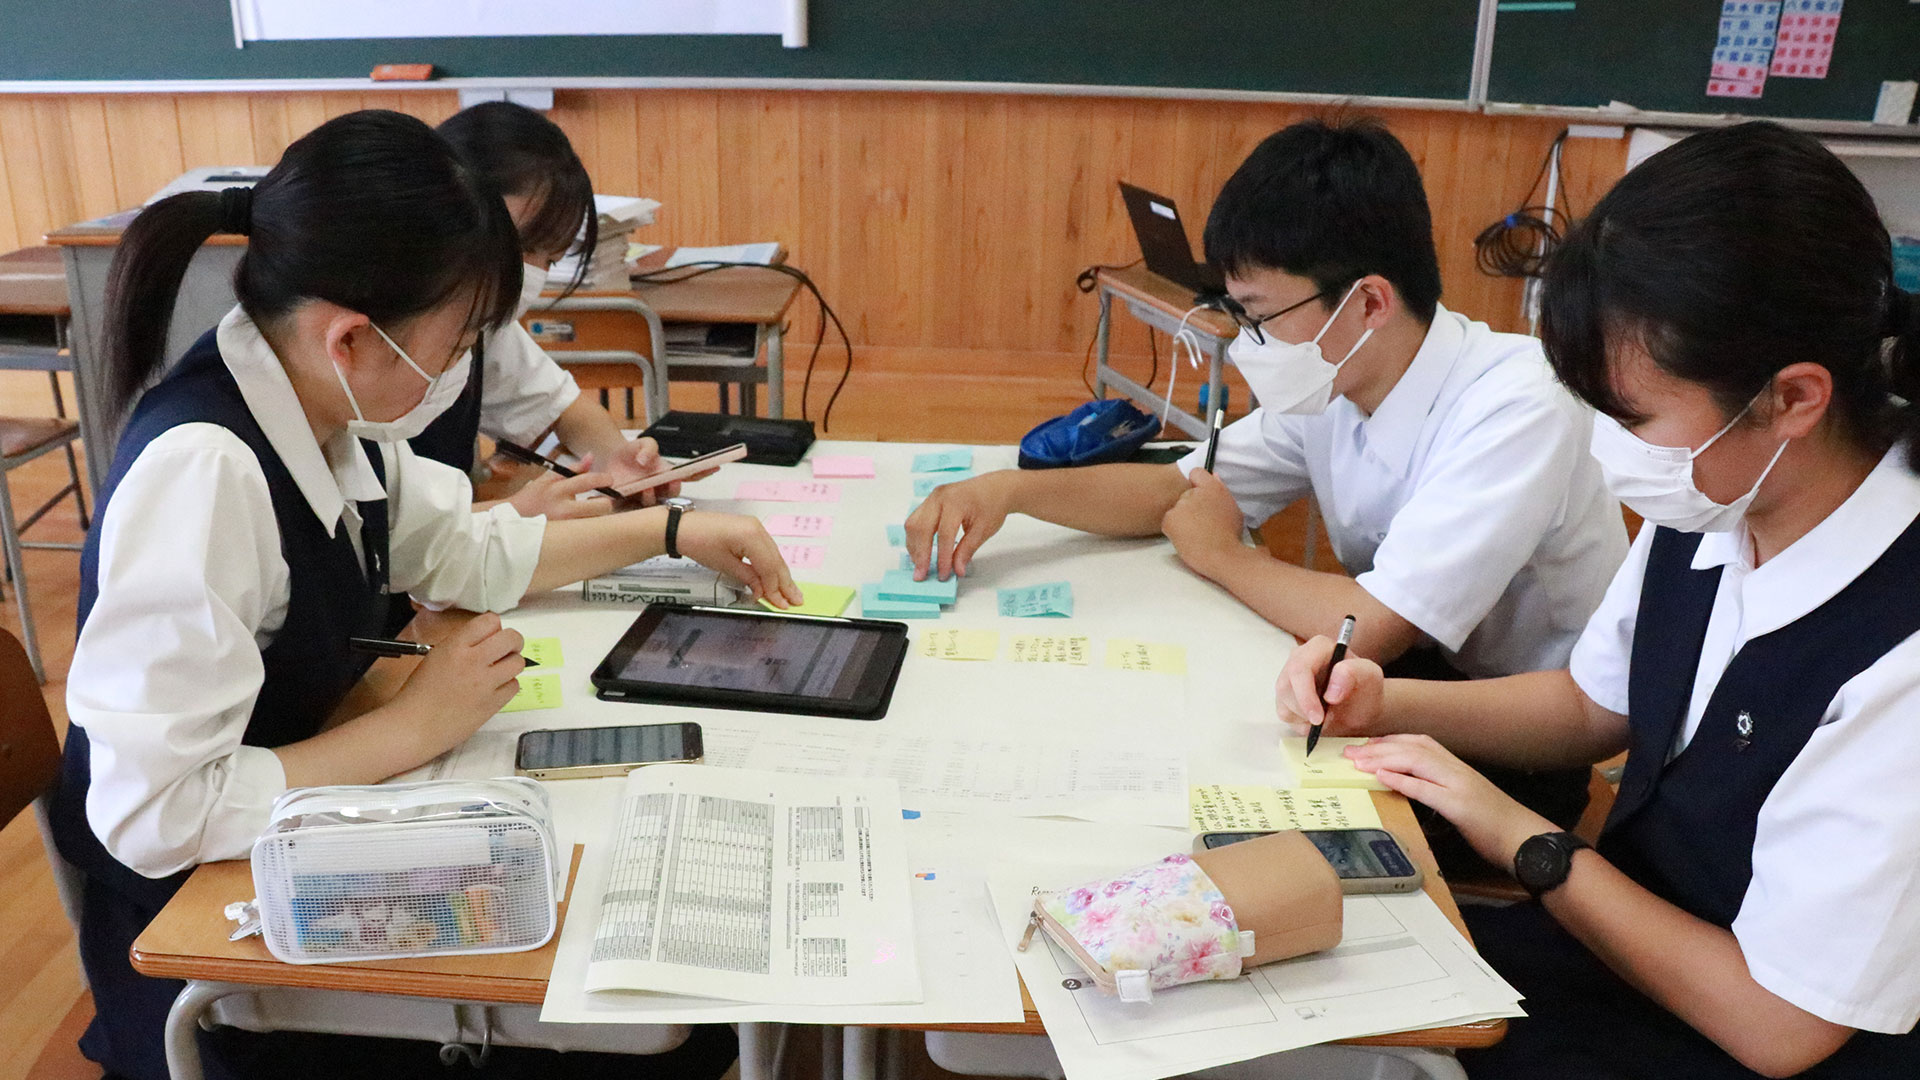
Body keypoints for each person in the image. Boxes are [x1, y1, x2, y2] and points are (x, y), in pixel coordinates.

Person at [48, 109, 799, 1080]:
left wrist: (673, 531)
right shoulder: (208, 473)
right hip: (216, 954)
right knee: (656, 1033)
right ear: (353, 338)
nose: (460, 374)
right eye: (454, 348)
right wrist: (420, 725)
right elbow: (152, 817)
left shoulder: (322, 409)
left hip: (301, 862)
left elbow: (463, 554)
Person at [1279, 121, 1920, 1077]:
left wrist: (1519, 838)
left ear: (1793, 398)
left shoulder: (1895, 649)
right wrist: (1385, 700)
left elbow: (1781, 1026)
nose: (1613, 449)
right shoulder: (1720, 489)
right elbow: (1593, 703)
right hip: (1619, 957)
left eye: (1633, 417)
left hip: (1736, 1036)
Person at [907, 117, 1627, 854]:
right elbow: (1181, 492)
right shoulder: (1339, 375)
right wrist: (1009, 493)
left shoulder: (1516, 404)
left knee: (1209, 829)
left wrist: (1222, 554)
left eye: (1258, 316)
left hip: (1517, 736)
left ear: (1370, 303)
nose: (1244, 340)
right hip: (1399, 678)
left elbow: (1370, 625)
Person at [415, 100, 677, 518]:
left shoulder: (479, 329)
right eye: (522, 246)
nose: (531, 274)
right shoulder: (382, 347)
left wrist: (618, 459)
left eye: (551, 259)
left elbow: (564, 408)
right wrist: (516, 513)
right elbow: (393, 543)